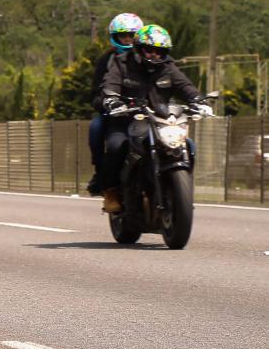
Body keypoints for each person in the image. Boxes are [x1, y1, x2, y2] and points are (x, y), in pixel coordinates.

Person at [99, 24, 211, 212]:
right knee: (115, 146)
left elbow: (185, 86)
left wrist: (199, 100)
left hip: (161, 120)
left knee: (187, 145)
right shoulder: (122, 63)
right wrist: (112, 100)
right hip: (126, 120)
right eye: (149, 50)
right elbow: (110, 84)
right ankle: (112, 191)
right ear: (138, 49)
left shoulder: (168, 67)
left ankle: (179, 190)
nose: (154, 55)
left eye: (159, 51)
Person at [87, 13, 144, 195]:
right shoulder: (107, 60)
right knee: (96, 128)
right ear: (115, 37)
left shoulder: (151, 57)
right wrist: (107, 104)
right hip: (115, 113)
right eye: (123, 36)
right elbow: (96, 92)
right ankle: (100, 174)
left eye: (131, 35)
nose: (127, 39)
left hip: (146, 113)